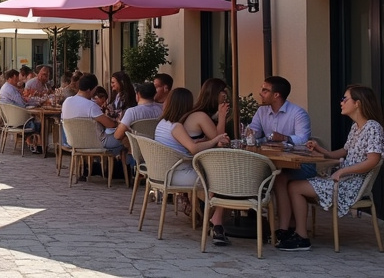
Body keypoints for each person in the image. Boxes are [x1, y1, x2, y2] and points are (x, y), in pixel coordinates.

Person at [277, 85, 384, 252]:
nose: (341, 102)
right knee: (293, 183)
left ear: (358, 103)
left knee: (294, 186)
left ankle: (302, 237)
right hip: (343, 180)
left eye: (345, 99)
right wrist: (321, 150)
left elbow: (373, 160)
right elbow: (343, 152)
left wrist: (343, 171)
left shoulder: (373, 128)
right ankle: (298, 233)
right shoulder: (356, 127)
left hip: (351, 185)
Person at [154, 88, 231, 245]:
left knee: (216, 176)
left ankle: (213, 218)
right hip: (178, 174)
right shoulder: (176, 126)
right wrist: (215, 140)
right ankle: (217, 222)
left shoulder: (163, 123)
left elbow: (185, 145)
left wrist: (198, 143)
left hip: (163, 172)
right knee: (223, 179)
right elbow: (193, 149)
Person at [245, 76, 314, 243]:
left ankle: (282, 229)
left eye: (265, 90)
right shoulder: (262, 111)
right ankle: (281, 225)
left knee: (280, 178)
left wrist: (283, 138)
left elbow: (304, 140)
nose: (260, 93)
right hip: (276, 163)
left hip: (301, 165)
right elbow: (254, 132)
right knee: (266, 175)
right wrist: (250, 133)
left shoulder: (298, 113)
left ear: (276, 95)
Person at [61, 73, 122, 152]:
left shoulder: (67, 102)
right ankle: (124, 163)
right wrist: (118, 122)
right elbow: (110, 125)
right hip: (96, 143)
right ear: (90, 89)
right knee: (124, 136)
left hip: (74, 142)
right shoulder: (91, 106)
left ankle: (103, 162)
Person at [0, 69, 43, 153]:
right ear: (14, 77)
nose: (18, 80)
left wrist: (33, 101)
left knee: (35, 119)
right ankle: (37, 145)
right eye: (17, 77)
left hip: (10, 119)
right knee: (40, 122)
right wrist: (36, 103)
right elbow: (22, 104)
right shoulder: (11, 89)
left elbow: (22, 100)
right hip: (19, 119)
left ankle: (32, 144)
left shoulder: (6, 87)